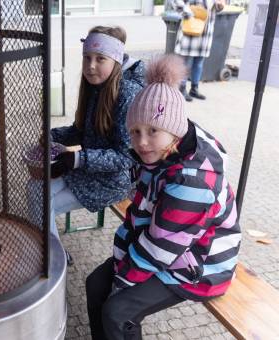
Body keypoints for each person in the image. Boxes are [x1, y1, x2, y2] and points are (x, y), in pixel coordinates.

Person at [85, 54, 241, 340]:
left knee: (118, 310)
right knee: (96, 284)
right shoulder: (165, 150)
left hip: (202, 265)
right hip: (171, 245)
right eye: (135, 132)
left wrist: (123, 279)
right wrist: (122, 264)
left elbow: (160, 248)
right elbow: (146, 218)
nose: (142, 142)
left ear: (174, 128)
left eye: (152, 131)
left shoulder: (192, 182)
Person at [48, 25, 145, 264]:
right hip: (89, 170)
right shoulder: (94, 87)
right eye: (86, 57)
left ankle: (53, 257)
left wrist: (77, 159)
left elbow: (127, 156)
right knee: (35, 191)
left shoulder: (127, 94)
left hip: (114, 182)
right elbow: (80, 131)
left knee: (42, 204)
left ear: (115, 61)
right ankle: (52, 249)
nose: (91, 65)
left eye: (100, 59)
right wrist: (49, 135)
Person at [171, 0, 225, 101]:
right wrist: (188, 13)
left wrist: (220, 5)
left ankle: (194, 88)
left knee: (199, 61)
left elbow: (216, 8)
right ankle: (181, 89)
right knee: (185, 62)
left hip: (205, 30)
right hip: (191, 26)